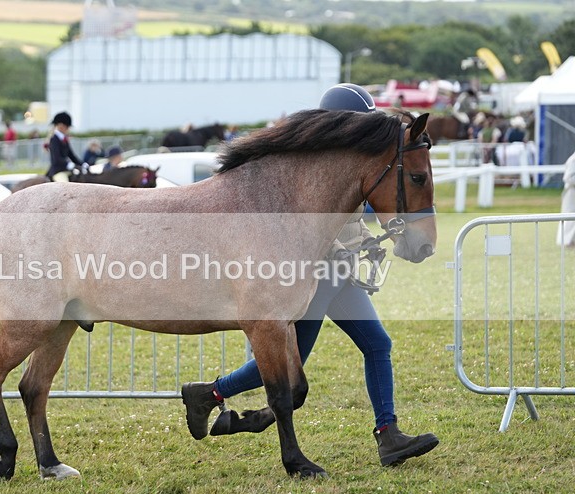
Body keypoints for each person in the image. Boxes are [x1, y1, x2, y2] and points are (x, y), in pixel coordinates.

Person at [181, 83, 439, 468]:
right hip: (317, 275)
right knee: (289, 361)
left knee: (377, 344)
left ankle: (388, 434)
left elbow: (350, 223)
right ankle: (210, 393)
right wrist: (343, 249)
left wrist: (366, 242)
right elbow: (314, 230)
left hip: (340, 276)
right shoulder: (314, 175)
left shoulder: (353, 169)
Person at [45, 111, 87, 181]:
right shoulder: (54, 139)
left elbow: (72, 155)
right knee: (65, 186)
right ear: (61, 125)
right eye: (67, 126)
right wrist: (69, 164)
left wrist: (82, 164)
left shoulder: (64, 139)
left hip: (66, 170)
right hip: (57, 171)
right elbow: (57, 158)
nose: (68, 129)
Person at [556, 149, 575, 247]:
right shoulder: (573, 160)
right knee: (569, 217)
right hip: (571, 192)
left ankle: (572, 240)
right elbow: (568, 177)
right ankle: (565, 241)